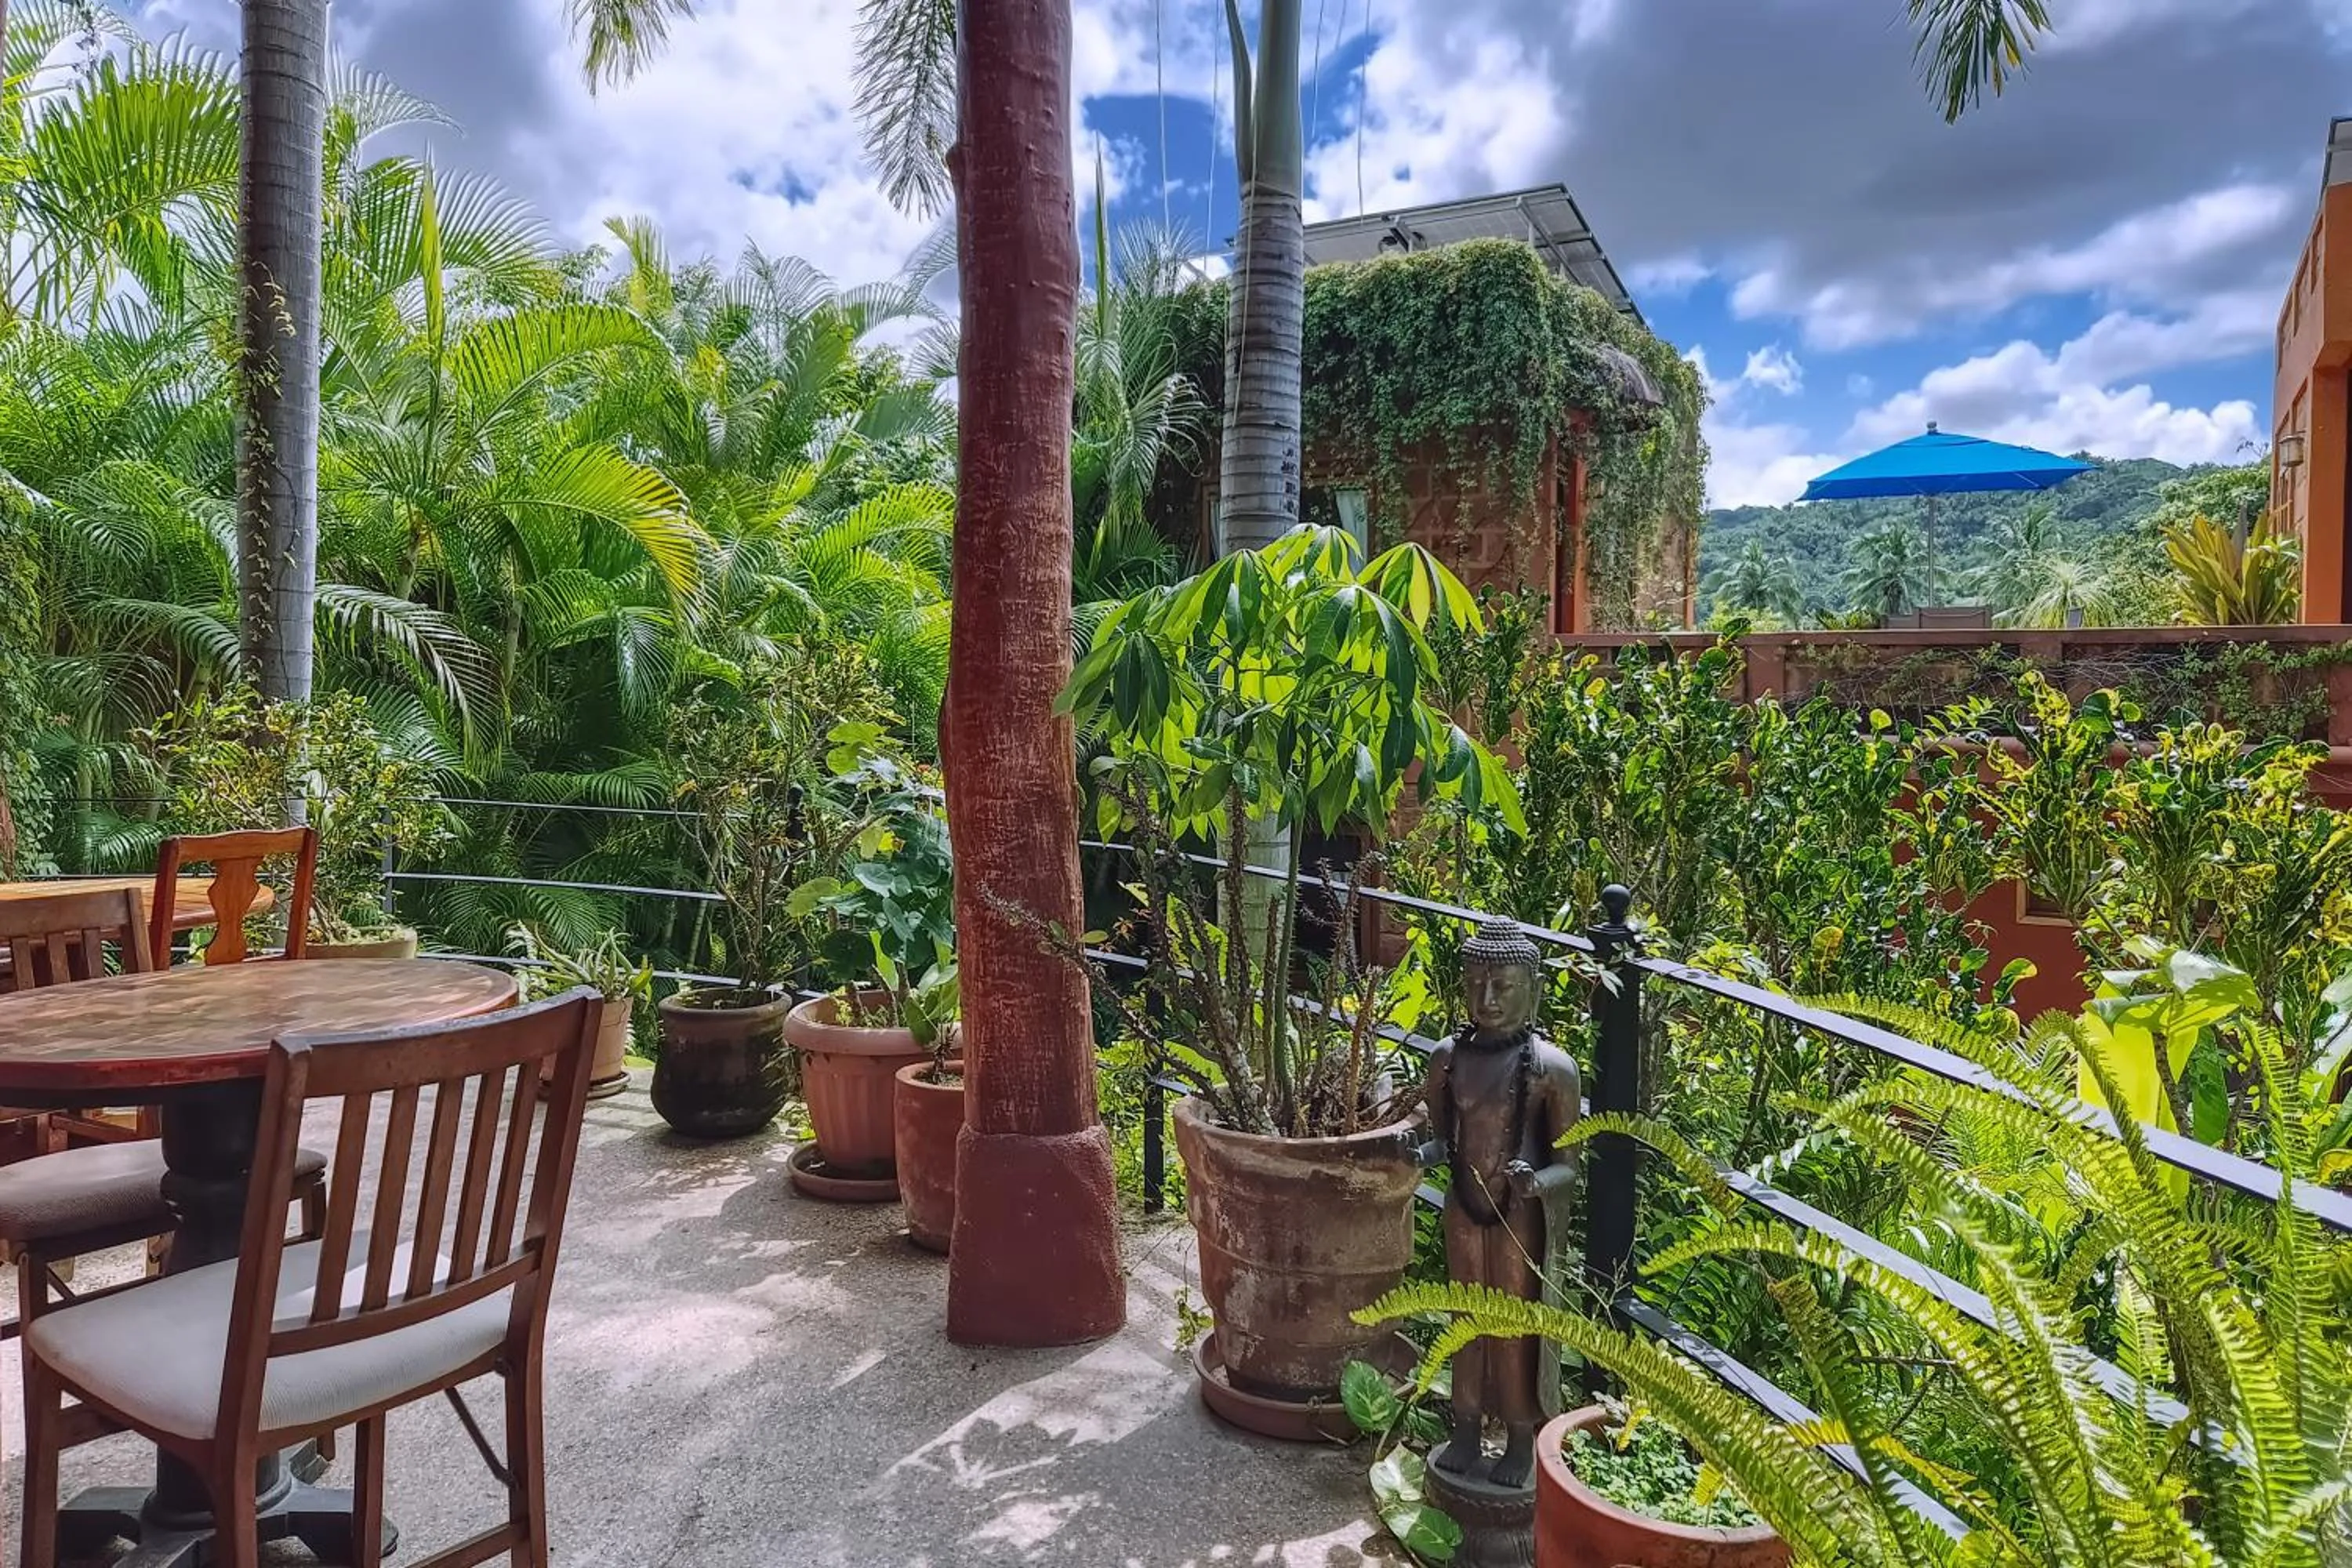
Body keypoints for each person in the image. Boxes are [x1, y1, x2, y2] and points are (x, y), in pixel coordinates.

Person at [1412, 918, 1581, 1490]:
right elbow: (1442, 1139)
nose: (1487, 999)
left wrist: (1537, 1182)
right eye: (1476, 984)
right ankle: (1463, 1428)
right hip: (1465, 1205)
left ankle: (1518, 1435)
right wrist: (1416, 1152)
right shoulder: (1448, 1057)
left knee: (1513, 1326)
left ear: (1531, 987)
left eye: (1503, 986)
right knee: (1465, 1318)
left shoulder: (1552, 1069)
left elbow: (1568, 1166)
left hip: (1518, 1211)